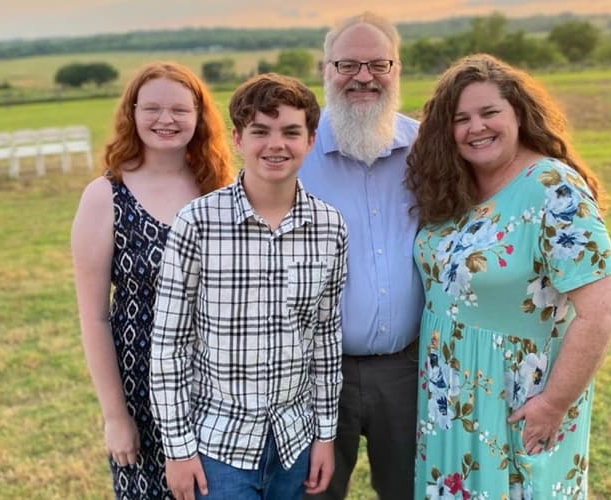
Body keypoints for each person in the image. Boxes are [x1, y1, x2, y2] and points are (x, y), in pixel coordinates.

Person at [404, 53, 611, 499]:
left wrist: (553, 404)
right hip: (449, 399)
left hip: (516, 400)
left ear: (519, 115)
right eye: (460, 118)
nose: (476, 127)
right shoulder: (456, 185)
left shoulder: (552, 187)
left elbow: (604, 308)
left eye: (489, 113)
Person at [150, 73, 349, 500]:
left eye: (290, 132)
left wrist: (325, 435)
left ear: (310, 140)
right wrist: (178, 450)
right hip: (218, 447)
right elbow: (169, 345)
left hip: (295, 441)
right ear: (238, 139)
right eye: (260, 131)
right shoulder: (197, 223)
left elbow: (325, 340)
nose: (275, 145)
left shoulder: (330, 227)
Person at [71, 61, 234, 499]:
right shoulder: (106, 196)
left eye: (180, 109)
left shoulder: (220, 188)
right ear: (133, 113)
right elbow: (95, 318)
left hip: (221, 391)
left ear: (199, 116)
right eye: (153, 108)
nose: (166, 120)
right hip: (141, 393)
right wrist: (115, 417)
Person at [299, 11, 424, 500]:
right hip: (316, 374)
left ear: (396, 70)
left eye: (379, 64)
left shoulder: (428, 148)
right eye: (347, 64)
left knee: (411, 491)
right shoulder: (293, 153)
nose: (364, 77)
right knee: (314, 494)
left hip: (409, 369)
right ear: (325, 69)